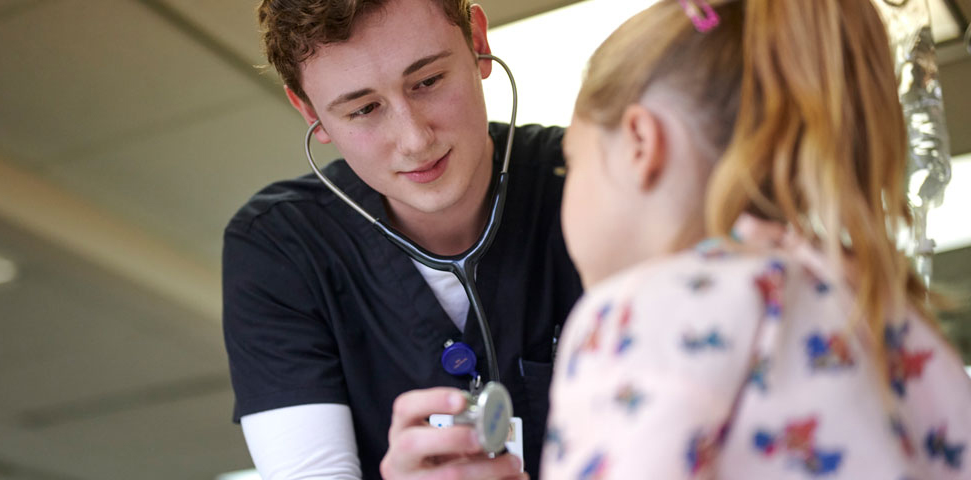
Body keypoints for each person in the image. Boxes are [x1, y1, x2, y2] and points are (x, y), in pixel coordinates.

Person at [542, 0, 971, 478]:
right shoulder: (887, 314)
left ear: (641, 143)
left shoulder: (640, 313)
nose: (566, 184)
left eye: (571, 162)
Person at [222, 0, 582, 478]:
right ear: (308, 109)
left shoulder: (596, 178)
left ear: (476, 41)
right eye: (364, 108)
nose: (414, 139)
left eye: (428, 81)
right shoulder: (280, 248)